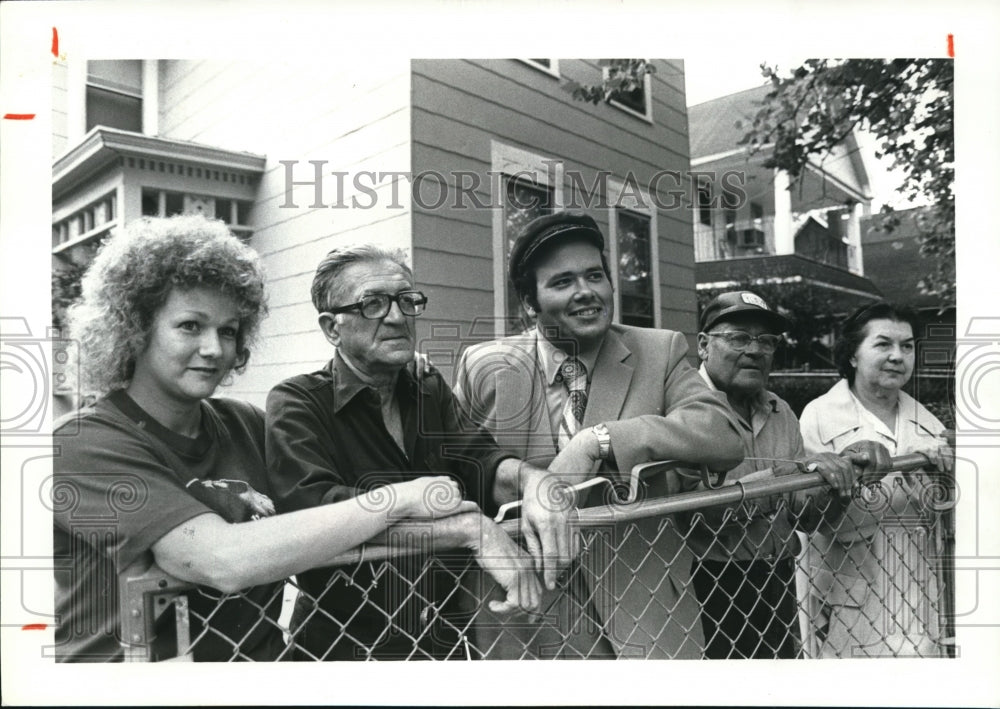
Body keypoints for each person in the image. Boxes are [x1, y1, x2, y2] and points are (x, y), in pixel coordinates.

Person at [53, 215, 481, 662]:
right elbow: (219, 561)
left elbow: (332, 501)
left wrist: (396, 378)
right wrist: (400, 499)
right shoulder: (82, 444)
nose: (215, 349)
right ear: (134, 327)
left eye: (229, 330)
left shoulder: (245, 425)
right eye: (190, 326)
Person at [451, 211, 746, 659]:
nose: (586, 292)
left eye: (595, 275)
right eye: (562, 281)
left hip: (644, 611)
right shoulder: (485, 365)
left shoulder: (659, 349)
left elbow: (723, 436)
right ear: (530, 303)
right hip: (523, 615)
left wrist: (598, 440)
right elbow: (456, 471)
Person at [265, 244, 542, 661]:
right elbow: (312, 513)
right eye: (372, 304)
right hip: (345, 654)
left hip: (446, 643)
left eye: (406, 300)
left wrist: (534, 481)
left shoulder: (428, 389)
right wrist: (470, 529)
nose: (396, 317)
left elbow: (481, 462)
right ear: (332, 328)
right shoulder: (298, 403)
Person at [689, 290, 885, 659]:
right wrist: (780, 477)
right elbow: (692, 514)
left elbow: (807, 518)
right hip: (702, 582)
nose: (756, 350)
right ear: (703, 345)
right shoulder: (682, 407)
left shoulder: (781, 411)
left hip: (776, 580)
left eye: (767, 341)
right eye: (739, 337)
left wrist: (841, 475)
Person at [799, 301, 952, 658]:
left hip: (920, 600)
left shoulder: (928, 424)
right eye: (883, 344)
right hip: (849, 605)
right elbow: (827, 523)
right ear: (852, 355)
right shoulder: (819, 419)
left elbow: (945, 513)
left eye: (908, 346)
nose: (898, 356)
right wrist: (903, 467)